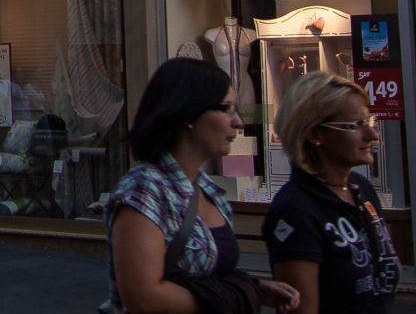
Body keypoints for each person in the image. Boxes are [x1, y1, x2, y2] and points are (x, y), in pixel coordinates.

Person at [103, 57, 300, 314]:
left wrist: (255, 287)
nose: (238, 121)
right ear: (188, 114)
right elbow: (144, 298)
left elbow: (210, 274)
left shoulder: (208, 190)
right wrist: (239, 294)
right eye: (226, 108)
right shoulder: (144, 190)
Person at [264, 72, 402, 313]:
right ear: (315, 134)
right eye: (355, 125)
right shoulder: (296, 209)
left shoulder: (361, 188)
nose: (372, 135)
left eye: (369, 122)